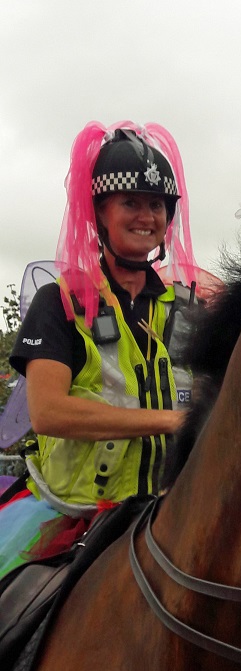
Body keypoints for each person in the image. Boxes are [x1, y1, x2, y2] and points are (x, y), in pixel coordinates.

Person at [0, 122, 199, 578]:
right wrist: (170, 422)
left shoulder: (189, 310)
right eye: (130, 202)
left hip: (168, 522)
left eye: (156, 204)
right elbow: (50, 412)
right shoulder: (60, 302)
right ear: (99, 213)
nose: (146, 216)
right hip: (73, 519)